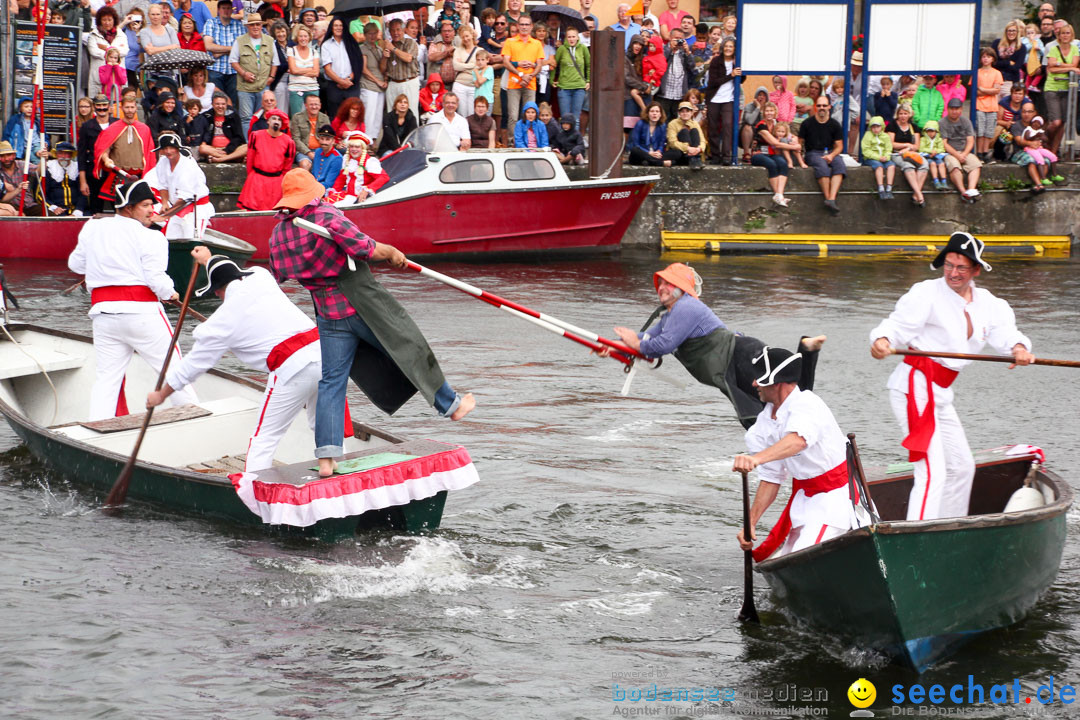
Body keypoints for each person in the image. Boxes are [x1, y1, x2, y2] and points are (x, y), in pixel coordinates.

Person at [268, 169, 476, 478]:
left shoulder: (279, 234)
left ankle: (326, 458)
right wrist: (391, 251)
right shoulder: (325, 216)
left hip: (327, 312)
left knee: (332, 382)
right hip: (360, 301)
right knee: (408, 343)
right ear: (312, 194)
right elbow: (365, 248)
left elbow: (278, 273)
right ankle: (451, 406)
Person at [870, 233, 1034, 521]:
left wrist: (1019, 348)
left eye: (961, 268)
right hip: (914, 386)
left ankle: (948, 529)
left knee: (961, 468)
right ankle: (916, 538)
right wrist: (882, 340)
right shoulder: (926, 293)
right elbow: (895, 326)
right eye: (948, 265)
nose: (953, 273)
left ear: (975, 271)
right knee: (932, 472)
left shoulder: (988, 303)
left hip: (941, 392)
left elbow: (1005, 334)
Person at [147, 248, 321, 472]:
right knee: (323, 424)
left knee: (264, 436)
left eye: (216, 292)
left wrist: (161, 394)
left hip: (293, 368)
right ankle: (336, 469)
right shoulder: (261, 276)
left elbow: (193, 366)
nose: (218, 297)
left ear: (218, 290)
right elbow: (226, 270)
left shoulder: (221, 321)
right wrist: (208, 259)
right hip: (327, 358)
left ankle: (254, 490)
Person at [607, 263, 825, 430]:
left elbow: (662, 345)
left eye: (669, 283)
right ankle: (807, 350)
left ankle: (807, 351)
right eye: (661, 283)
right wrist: (614, 346)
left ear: (682, 289)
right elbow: (646, 338)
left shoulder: (686, 307)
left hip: (739, 357)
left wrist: (634, 343)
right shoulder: (671, 314)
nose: (662, 287)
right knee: (775, 411)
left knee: (793, 399)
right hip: (733, 364)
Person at [67, 178, 198, 421]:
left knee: (107, 379)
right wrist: (171, 293)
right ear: (129, 207)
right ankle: (195, 419)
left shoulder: (93, 227)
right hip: (142, 314)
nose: (153, 210)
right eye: (147, 205)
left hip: (104, 315)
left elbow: (75, 264)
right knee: (174, 371)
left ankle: (100, 431)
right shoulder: (151, 237)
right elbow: (155, 278)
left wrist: (101, 264)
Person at [734, 346, 861, 562]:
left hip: (837, 497)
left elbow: (798, 441)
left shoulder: (808, 403)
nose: (754, 384)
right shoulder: (760, 428)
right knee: (787, 560)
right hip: (805, 501)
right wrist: (751, 523)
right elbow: (771, 479)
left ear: (778, 383)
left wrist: (756, 459)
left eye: (760, 379)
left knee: (801, 559)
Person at [148, 132, 214, 238]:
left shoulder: (188, 166)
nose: (168, 151)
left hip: (195, 208)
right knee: (170, 238)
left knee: (192, 239)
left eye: (171, 148)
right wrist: (165, 203)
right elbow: (163, 186)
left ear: (178, 148)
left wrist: (165, 216)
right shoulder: (162, 162)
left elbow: (185, 198)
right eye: (165, 148)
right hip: (177, 207)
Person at [93, 96, 156, 205]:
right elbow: (104, 148)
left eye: (132, 107)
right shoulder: (113, 128)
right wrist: (106, 158)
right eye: (127, 107)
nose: (130, 110)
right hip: (119, 176)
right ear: (122, 108)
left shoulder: (145, 129)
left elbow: (149, 154)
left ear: (136, 108)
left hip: (139, 176)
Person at [237, 108, 294, 210]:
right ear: (268, 121)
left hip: (276, 183)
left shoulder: (288, 142)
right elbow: (250, 159)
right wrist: (252, 178)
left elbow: (287, 165)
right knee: (251, 213)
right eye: (274, 118)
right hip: (257, 180)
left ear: (282, 124)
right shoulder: (256, 136)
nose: (276, 121)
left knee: (274, 214)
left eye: (279, 120)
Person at [799, 95, 845, 214]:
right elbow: (799, 144)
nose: (821, 108)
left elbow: (839, 146)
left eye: (824, 105)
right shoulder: (806, 123)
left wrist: (831, 155)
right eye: (819, 105)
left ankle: (831, 199)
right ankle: (829, 198)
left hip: (830, 152)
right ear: (815, 107)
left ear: (829, 107)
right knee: (822, 166)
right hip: (812, 153)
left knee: (840, 165)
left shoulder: (834, 124)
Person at [230, 14, 274, 131]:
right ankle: (248, 144)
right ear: (248, 26)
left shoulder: (269, 40)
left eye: (258, 24)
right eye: (252, 25)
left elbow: (275, 62)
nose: (255, 27)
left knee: (263, 116)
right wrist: (244, 73)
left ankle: (261, 142)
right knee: (246, 118)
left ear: (261, 26)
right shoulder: (239, 41)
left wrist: (272, 76)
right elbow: (233, 61)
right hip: (245, 87)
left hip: (263, 86)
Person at [503, 15, 546, 130]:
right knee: (513, 116)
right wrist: (521, 74)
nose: (524, 27)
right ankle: (513, 144)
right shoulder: (510, 41)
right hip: (514, 83)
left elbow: (539, 64)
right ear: (517, 26)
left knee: (530, 115)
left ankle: (528, 142)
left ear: (531, 27)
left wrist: (529, 77)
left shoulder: (537, 43)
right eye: (522, 24)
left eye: (527, 24)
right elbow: (505, 62)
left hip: (530, 83)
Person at [327, 131, 389, 206]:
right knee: (324, 204)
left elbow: (383, 177)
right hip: (347, 194)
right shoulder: (347, 159)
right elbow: (342, 178)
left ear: (363, 148)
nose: (354, 149)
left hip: (358, 198)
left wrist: (367, 189)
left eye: (357, 147)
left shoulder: (370, 162)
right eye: (351, 146)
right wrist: (334, 191)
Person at [939, 97, 982, 202]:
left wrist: (964, 154)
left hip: (964, 151)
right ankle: (963, 192)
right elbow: (944, 143)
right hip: (949, 152)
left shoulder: (966, 121)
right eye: (952, 109)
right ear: (948, 109)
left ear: (961, 109)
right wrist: (957, 155)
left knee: (976, 165)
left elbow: (970, 140)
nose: (954, 111)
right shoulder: (942, 123)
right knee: (955, 168)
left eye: (957, 108)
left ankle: (971, 189)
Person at [202, 0, 244, 107]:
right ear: (218, 10)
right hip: (215, 69)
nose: (226, 11)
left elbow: (242, 48)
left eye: (228, 8)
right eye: (223, 8)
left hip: (234, 70)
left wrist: (219, 51)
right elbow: (209, 46)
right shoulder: (211, 23)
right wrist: (232, 48)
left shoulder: (239, 25)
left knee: (233, 104)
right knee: (217, 102)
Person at [886, 101, 928, 206]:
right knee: (908, 166)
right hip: (896, 153)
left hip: (911, 153)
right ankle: (919, 194)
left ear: (909, 115)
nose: (903, 116)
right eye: (901, 114)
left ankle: (915, 195)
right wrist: (906, 145)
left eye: (905, 114)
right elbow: (891, 144)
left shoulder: (914, 127)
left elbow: (916, 146)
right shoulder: (892, 126)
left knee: (924, 165)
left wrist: (909, 148)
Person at [750, 102, 791, 207]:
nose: (769, 113)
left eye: (771, 111)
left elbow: (788, 133)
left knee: (782, 163)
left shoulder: (777, 123)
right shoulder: (761, 125)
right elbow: (774, 143)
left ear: (775, 112)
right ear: (763, 112)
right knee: (771, 164)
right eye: (767, 111)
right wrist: (794, 147)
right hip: (758, 154)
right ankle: (778, 195)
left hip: (772, 153)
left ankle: (779, 194)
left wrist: (794, 140)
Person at [705, 37, 739, 165]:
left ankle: (726, 156)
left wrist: (738, 72)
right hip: (714, 98)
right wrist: (731, 75)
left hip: (728, 99)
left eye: (731, 46)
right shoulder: (716, 61)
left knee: (727, 125)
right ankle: (715, 155)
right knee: (713, 128)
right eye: (726, 46)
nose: (728, 49)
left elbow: (741, 79)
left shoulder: (736, 62)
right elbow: (713, 81)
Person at [87, 7, 130, 99]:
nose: (107, 23)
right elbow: (94, 51)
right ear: (99, 21)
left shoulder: (121, 35)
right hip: (100, 79)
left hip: (118, 78)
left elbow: (125, 51)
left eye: (109, 20)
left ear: (114, 20)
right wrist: (114, 52)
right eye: (104, 20)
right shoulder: (93, 35)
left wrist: (105, 48)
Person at [383, 19, 421, 121]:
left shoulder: (410, 43)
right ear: (389, 32)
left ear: (403, 30)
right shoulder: (387, 45)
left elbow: (408, 58)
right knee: (392, 114)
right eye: (393, 30)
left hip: (409, 82)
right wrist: (384, 57)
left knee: (411, 113)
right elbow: (383, 69)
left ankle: (412, 136)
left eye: (398, 30)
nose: (395, 33)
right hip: (393, 83)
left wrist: (393, 49)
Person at [552, 27, 589, 131]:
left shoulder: (583, 48)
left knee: (575, 119)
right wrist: (552, 80)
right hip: (564, 87)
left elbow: (589, 65)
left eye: (573, 36)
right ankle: (563, 144)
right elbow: (554, 64)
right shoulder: (562, 49)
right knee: (565, 119)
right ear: (566, 38)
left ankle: (574, 144)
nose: (571, 39)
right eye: (569, 37)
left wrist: (588, 80)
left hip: (579, 87)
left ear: (578, 37)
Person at [37, 142, 87, 217]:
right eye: (60, 153)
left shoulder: (77, 169)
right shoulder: (49, 168)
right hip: (55, 210)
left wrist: (77, 211)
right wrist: (54, 208)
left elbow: (83, 193)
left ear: (71, 155)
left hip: (77, 210)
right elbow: (40, 195)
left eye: (66, 154)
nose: (63, 156)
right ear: (56, 155)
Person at [358, 22, 389, 143]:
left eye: (375, 33)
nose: (372, 36)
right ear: (365, 35)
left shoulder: (380, 49)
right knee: (368, 116)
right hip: (369, 85)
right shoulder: (363, 48)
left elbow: (383, 69)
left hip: (380, 86)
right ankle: (366, 141)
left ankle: (374, 141)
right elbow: (364, 69)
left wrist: (385, 80)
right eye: (370, 34)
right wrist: (378, 81)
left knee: (377, 116)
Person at [198, 91, 248, 163]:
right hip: (214, 149)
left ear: (227, 105)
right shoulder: (206, 116)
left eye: (223, 104)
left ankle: (221, 159)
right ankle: (232, 158)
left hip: (231, 149)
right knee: (202, 148)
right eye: (217, 104)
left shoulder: (233, 116)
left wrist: (228, 150)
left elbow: (238, 137)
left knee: (247, 147)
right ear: (212, 104)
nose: (220, 106)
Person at [285, 24, 321, 116]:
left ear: (309, 37)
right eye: (301, 36)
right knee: (297, 117)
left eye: (305, 36)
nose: (303, 39)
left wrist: (299, 70)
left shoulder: (314, 52)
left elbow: (316, 72)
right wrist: (309, 69)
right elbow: (293, 70)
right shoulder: (291, 50)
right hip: (296, 88)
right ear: (297, 37)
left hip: (312, 88)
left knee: (313, 116)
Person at [975, 48, 1003, 160]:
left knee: (989, 131)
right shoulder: (977, 72)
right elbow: (975, 91)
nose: (986, 59)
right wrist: (988, 90)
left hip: (992, 106)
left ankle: (986, 152)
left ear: (993, 59)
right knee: (980, 130)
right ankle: (979, 152)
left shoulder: (997, 73)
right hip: (979, 105)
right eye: (984, 57)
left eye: (988, 57)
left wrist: (982, 89)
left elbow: (997, 90)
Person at [290, 93, 329, 171]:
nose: (314, 107)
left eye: (316, 104)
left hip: (321, 150)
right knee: (305, 164)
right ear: (306, 105)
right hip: (303, 151)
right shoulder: (297, 117)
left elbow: (328, 138)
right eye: (311, 104)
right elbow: (296, 139)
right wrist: (308, 153)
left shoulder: (325, 118)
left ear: (320, 106)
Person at [861, 116, 895, 200]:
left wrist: (886, 157)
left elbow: (888, 148)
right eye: (873, 127)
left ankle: (889, 188)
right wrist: (878, 157)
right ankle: (881, 188)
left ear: (882, 127)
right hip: (871, 158)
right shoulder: (867, 135)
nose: (875, 129)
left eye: (878, 127)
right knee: (879, 167)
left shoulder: (885, 136)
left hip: (884, 157)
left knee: (891, 166)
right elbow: (866, 150)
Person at [665, 100, 704, 168]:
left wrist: (698, 149)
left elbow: (702, 140)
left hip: (694, 152)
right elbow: (672, 142)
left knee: (694, 130)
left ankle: (694, 158)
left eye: (687, 111)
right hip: (680, 152)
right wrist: (687, 148)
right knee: (684, 131)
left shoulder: (695, 123)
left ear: (691, 112)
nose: (685, 113)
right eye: (682, 111)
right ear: (679, 113)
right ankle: (692, 158)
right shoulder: (672, 123)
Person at [920, 120, 948, 189]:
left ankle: (944, 181)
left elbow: (942, 149)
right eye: (928, 131)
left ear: (936, 131)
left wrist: (935, 151)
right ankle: (936, 181)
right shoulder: (923, 139)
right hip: (927, 156)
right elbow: (921, 148)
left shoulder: (939, 139)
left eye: (932, 131)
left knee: (941, 164)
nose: (930, 133)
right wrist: (930, 151)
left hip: (936, 156)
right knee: (932, 164)